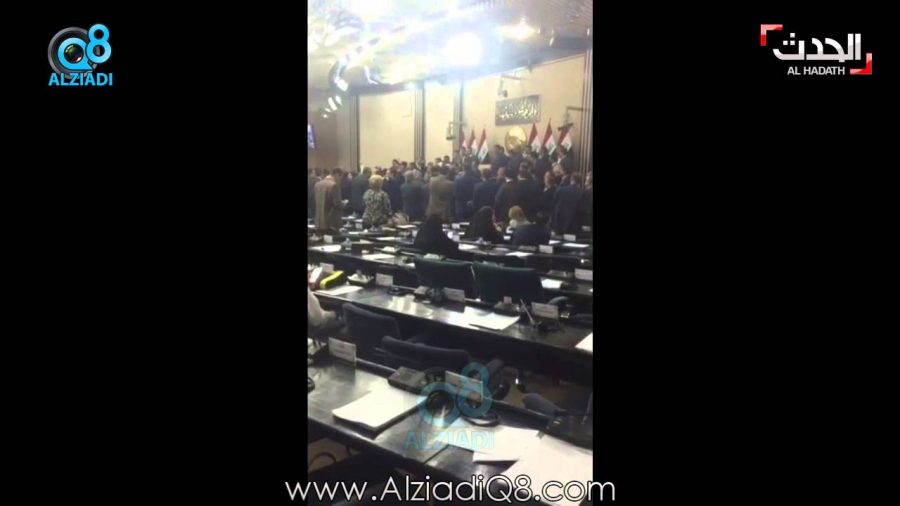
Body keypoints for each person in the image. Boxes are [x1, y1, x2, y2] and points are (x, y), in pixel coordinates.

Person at [314, 168, 345, 232]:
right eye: (341, 178)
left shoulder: (317, 184)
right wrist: (343, 204)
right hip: (331, 222)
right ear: (337, 174)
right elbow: (337, 204)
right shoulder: (334, 185)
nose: (340, 180)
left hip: (319, 221)